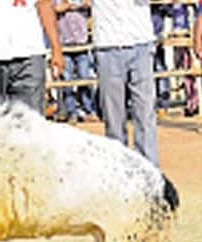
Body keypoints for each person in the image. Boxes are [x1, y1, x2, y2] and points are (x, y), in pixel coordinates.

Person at [92, 0, 159, 164]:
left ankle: (148, 168)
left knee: (145, 113)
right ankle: (118, 169)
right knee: (113, 117)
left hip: (141, 41)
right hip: (107, 45)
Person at [53, 0, 97, 123]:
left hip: (81, 40)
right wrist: (69, 6)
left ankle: (88, 110)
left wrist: (75, 5)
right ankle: (71, 111)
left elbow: (89, 4)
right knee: (67, 80)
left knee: (85, 77)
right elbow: (54, 8)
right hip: (64, 43)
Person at [171, 3, 199, 117]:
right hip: (180, 34)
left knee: (192, 69)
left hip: (192, 33)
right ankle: (191, 103)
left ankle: (194, 103)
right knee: (186, 70)